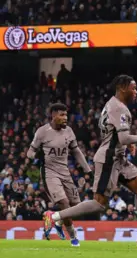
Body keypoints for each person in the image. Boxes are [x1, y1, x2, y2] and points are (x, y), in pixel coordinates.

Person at [43, 75, 137, 247]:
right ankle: (56, 216)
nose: (135, 91)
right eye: (133, 88)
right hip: (109, 159)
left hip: (119, 157)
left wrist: (127, 144)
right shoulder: (119, 108)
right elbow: (124, 138)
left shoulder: (111, 104)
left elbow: (115, 134)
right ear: (122, 87)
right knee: (99, 204)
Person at [28, 103, 92, 247]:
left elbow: (76, 151)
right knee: (64, 203)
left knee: (76, 206)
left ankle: (58, 221)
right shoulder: (42, 132)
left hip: (65, 172)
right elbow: (30, 152)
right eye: (62, 115)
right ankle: (73, 237)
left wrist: (87, 170)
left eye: (66, 115)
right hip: (49, 173)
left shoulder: (69, 131)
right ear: (53, 115)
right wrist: (36, 157)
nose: (65, 118)